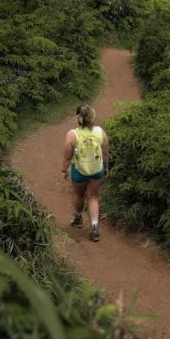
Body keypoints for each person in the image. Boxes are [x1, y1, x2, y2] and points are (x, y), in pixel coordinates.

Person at [61, 104, 109, 242]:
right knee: (93, 196)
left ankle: (78, 218)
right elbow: (105, 153)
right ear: (92, 117)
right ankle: (94, 227)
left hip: (79, 171)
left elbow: (67, 156)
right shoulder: (100, 132)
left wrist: (64, 170)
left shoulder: (72, 135)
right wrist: (106, 168)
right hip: (96, 169)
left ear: (79, 118)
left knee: (79, 194)